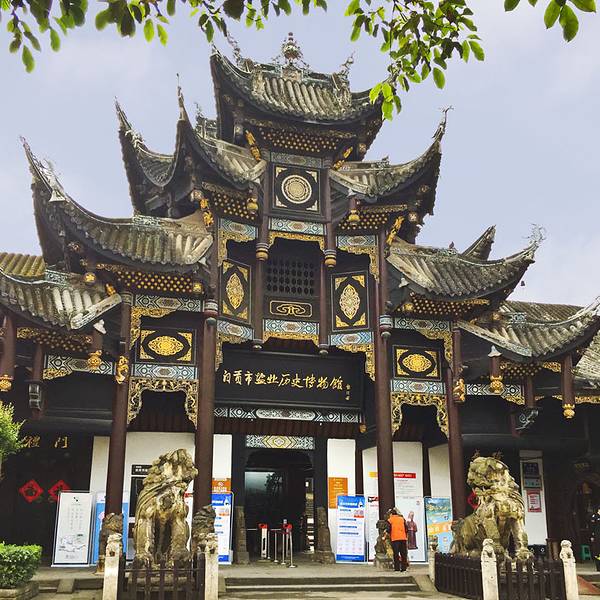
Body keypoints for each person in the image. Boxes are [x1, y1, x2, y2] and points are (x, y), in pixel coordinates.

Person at [388, 508, 408, 572]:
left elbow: (388, 529)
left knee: (396, 554)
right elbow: (406, 528)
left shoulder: (390, 520)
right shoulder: (402, 519)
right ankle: (404, 568)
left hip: (395, 539)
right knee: (403, 554)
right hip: (403, 538)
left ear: (391, 514)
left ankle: (397, 568)